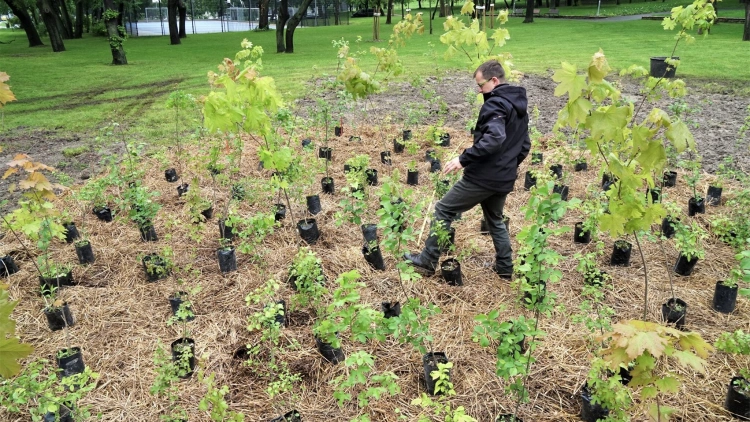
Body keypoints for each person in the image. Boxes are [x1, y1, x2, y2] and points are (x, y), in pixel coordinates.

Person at [404, 59, 530, 279]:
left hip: (483, 177)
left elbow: (494, 139)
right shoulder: (519, 107)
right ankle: (505, 268)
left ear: (494, 80)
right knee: (495, 220)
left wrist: (463, 159)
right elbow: (525, 146)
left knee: (444, 209)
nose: (480, 91)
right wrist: (507, 166)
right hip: (503, 178)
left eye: (481, 86)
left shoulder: (495, 104)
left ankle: (427, 260)